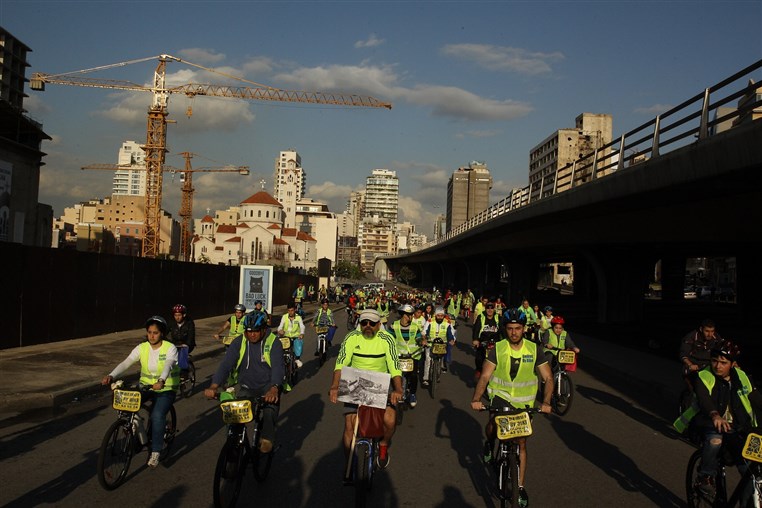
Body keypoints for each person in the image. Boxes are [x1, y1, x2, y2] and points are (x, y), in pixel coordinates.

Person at [470, 309, 553, 508]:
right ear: (505, 329)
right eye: (510, 329)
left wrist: (547, 402)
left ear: (524, 329)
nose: (514, 332)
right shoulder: (497, 349)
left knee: (521, 444)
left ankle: (520, 487)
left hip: (525, 403)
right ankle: (490, 443)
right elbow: (485, 376)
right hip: (501, 398)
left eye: (517, 328)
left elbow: (548, 378)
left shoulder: (534, 349)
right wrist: (476, 398)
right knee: (493, 427)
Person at [673, 341, 762, 499]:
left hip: (737, 428)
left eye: (723, 362)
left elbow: (755, 398)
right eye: (714, 361)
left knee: (750, 474)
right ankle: (705, 477)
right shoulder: (704, 375)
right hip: (707, 423)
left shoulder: (742, 377)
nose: (718, 366)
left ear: (733, 364)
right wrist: (715, 415)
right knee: (715, 440)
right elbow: (703, 398)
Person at [329, 309, 402, 472]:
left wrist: (398, 388)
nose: (368, 326)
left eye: (372, 323)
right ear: (359, 324)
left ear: (379, 324)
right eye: (364, 323)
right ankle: (349, 464)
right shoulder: (351, 338)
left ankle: (383, 444)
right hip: (355, 382)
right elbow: (340, 363)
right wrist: (334, 385)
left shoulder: (387, 339)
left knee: (390, 420)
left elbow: (394, 366)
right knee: (350, 425)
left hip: (381, 383)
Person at [101, 316, 179, 468]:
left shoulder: (170, 348)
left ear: (162, 333)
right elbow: (126, 362)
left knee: (157, 415)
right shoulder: (142, 347)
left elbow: (168, 365)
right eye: (149, 332)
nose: (151, 335)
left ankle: (156, 451)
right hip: (145, 386)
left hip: (166, 388)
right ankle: (138, 428)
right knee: (127, 405)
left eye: (155, 333)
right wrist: (111, 375)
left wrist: (161, 380)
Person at [205, 313, 283, 454]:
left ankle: (267, 439)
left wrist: (275, 388)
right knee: (234, 420)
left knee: (269, 413)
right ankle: (235, 445)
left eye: (255, 331)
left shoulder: (273, 342)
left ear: (264, 329)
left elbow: (278, 367)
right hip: (247, 387)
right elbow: (226, 365)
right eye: (248, 331)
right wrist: (214, 385)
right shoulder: (239, 342)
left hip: (268, 387)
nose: (252, 334)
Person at [391, 304, 424, 408]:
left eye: (412, 314)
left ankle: (413, 394)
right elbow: (388, 338)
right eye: (409, 314)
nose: (411, 316)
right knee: (395, 375)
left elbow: (418, 338)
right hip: (398, 355)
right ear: (403, 315)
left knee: (414, 376)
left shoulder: (415, 327)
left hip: (413, 355)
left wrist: (422, 341)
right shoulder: (394, 325)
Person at [422, 306, 457, 381]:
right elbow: (424, 331)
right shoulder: (430, 321)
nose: (440, 317)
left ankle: (438, 374)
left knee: (441, 359)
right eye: (438, 315)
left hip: (442, 344)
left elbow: (451, 333)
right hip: (430, 343)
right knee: (428, 360)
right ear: (435, 315)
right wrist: (424, 339)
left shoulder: (447, 322)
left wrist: (451, 340)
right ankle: (426, 378)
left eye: (442, 315)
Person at [472, 301, 501, 380]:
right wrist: (475, 340)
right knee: (479, 357)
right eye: (488, 308)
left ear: (494, 309)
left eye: (492, 308)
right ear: (485, 308)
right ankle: (479, 370)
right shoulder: (481, 317)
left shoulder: (498, 317)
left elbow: (503, 330)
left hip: (495, 341)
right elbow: (476, 329)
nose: (490, 310)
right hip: (483, 340)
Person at [168, 304, 196, 377]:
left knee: (182, 355)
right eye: (175, 315)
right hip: (175, 343)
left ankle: (184, 373)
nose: (177, 317)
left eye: (179, 315)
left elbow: (191, 335)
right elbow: (164, 332)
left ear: (184, 315)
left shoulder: (189, 323)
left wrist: (187, 344)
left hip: (187, 344)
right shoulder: (172, 323)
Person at [277, 301, 305, 368]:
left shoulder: (298, 318)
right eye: (289, 310)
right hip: (286, 337)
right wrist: (280, 330)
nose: (290, 312)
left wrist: (301, 333)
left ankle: (297, 359)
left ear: (295, 310)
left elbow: (302, 326)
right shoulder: (284, 317)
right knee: (279, 348)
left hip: (295, 337)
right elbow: (280, 326)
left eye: (292, 310)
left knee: (298, 344)